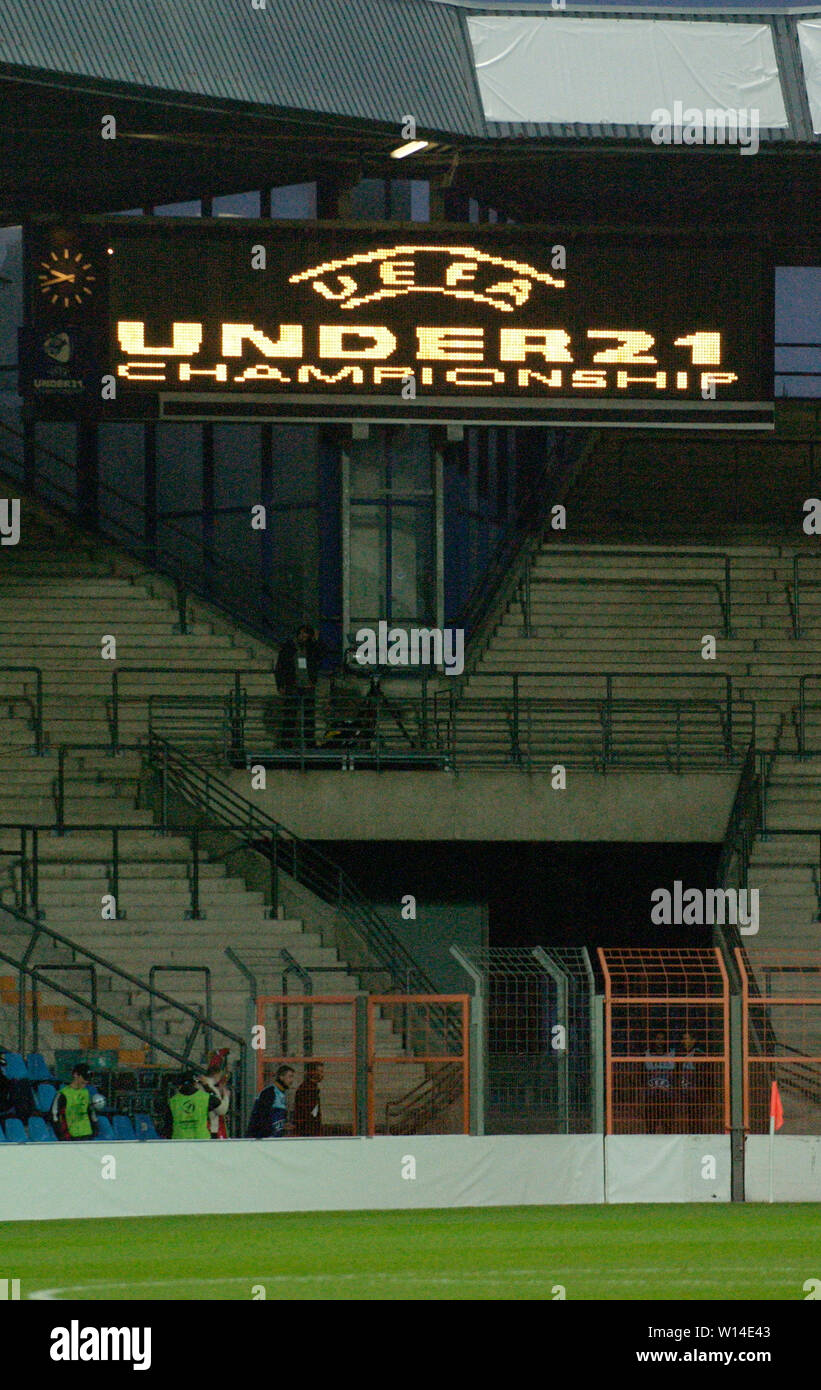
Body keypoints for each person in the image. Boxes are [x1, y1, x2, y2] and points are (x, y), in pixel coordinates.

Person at [275, 624, 323, 749]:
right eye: (302, 634)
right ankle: (286, 743)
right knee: (290, 715)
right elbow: (280, 666)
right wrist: (281, 684)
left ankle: (309, 742)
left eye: (306, 635)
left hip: (308, 685)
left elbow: (321, 655)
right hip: (293, 685)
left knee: (309, 717)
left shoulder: (311, 647)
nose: (304, 637)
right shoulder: (288, 647)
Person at [164, 1072, 221, 1140]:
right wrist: (206, 1086)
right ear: (195, 1083)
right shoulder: (205, 1097)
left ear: (180, 1085)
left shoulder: (173, 1101)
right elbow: (217, 1101)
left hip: (179, 1139)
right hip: (202, 1138)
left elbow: (168, 1125)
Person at [52, 1064, 98, 1141]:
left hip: (87, 1135)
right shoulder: (63, 1094)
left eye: (88, 1078)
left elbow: (91, 1112)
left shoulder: (86, 1092)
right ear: (75, 1075)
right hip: (71, 1137)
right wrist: (62, 1136)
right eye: (84, 1077)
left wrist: (95, 1130)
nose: (86, 1081)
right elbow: (54, 1116)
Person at [246, 1064, 295, 1138]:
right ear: (281, 1077)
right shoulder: (269, 1092)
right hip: (264, 1139)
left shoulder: (281, 1093)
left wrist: (283, 1126)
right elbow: (262, 1117)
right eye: (290, 1077)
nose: (292, 1080)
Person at [643, 1031, 675, 1134]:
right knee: (650, 1126)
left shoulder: (672, 1054)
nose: (660, 1041)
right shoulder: (647, 1054)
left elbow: (676, 1074)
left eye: (662, 1039)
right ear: (653, 1040)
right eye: (658, 1038)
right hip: (651, 1096)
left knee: (668, 1126)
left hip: (667, 1096)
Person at [678, 1031, 706, 1133]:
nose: (683, 1041)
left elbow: (703, 1076)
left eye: (686, 1039)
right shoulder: (681, 1054)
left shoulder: (698, 1054)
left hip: (695, 1094)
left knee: (696, 1119)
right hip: (684, 1093)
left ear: (694, 1040)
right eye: (683, 1039)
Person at [201, 1049, 231, 1139]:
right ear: (216, 1074)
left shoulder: (200, 1086)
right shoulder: (212, 1090)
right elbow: (221, 1110)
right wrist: (226, 1096)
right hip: (211, 1128)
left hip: (200, 1127)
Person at [293, 1061, 324, 1137]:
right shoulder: (308, 1090)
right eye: (320, 1072)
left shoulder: (309, 1088)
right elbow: (309, 1114)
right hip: (308, 1132)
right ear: (313, 1072)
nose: (322, 1075)